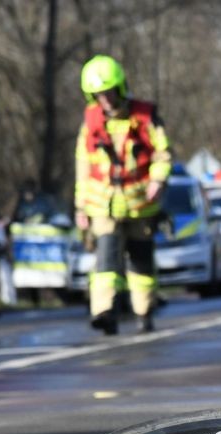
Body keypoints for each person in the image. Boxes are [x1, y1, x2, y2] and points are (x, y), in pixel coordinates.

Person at [74, 54, 171, 335]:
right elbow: (83, 166)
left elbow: (163, 154)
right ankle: (104, 312)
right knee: (106, 259)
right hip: (103, 205)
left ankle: (144, 312)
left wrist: (158, 179)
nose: (104, 99)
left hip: (141, 203)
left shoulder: (145, 117)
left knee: (141, 261)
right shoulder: (90, 123)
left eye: (108, 92)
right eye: (97, 94)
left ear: (120, 88)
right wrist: (80, 207)